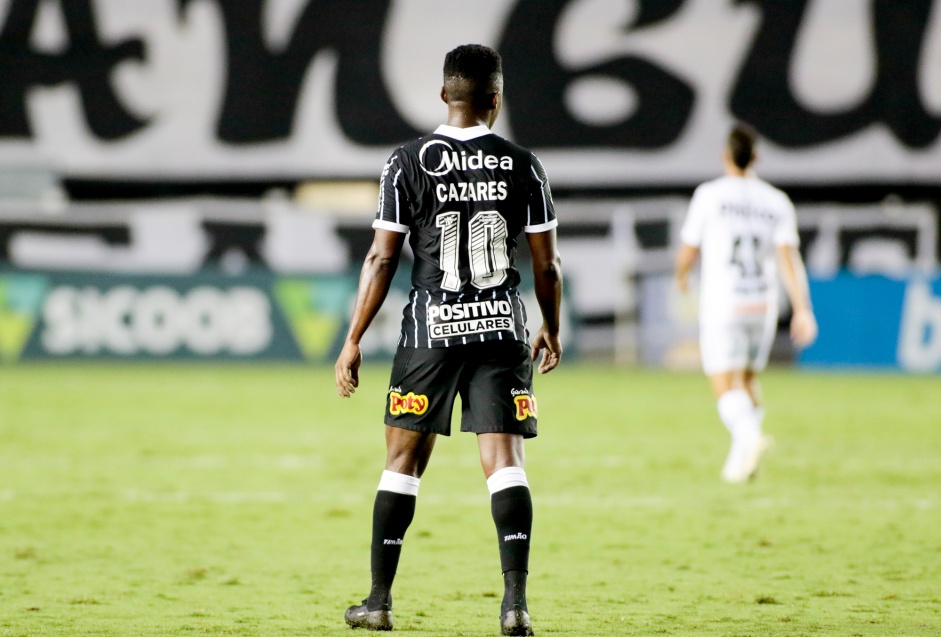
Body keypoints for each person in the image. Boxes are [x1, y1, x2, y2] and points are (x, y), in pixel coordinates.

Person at [334, 44, 563, 636]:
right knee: (506, 464)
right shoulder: (523, 165)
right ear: (496, 99)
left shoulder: (405, 161)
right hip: (499, 328)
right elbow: (547, 265)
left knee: (402, 463)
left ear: (443, 95)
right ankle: (515, 606)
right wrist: (552, 327)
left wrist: (352, 339)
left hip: (430, 331)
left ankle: (379, 601)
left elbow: (382, 259)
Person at [675, 123, 817, 483]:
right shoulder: (776, 201)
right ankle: (740, 462)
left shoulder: (710, 195)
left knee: (724, 384)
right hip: (763, 304)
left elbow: (689, 250)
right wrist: (802, 309)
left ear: (726, 156)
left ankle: (750, 438)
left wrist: (681, 277)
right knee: (748, 378)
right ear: (755, 157)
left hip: (724, 303)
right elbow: (789, 259)